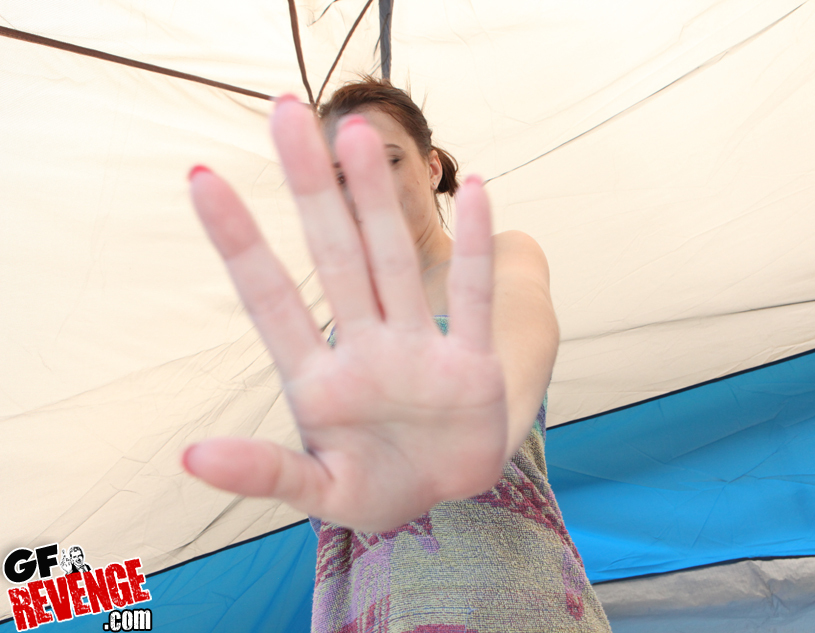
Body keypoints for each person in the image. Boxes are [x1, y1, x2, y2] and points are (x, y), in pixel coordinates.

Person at [184, 77, 611, 632]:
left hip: (515, 606)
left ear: (431, 167)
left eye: (384, 161)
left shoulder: (498, 258)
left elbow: (524, 328)